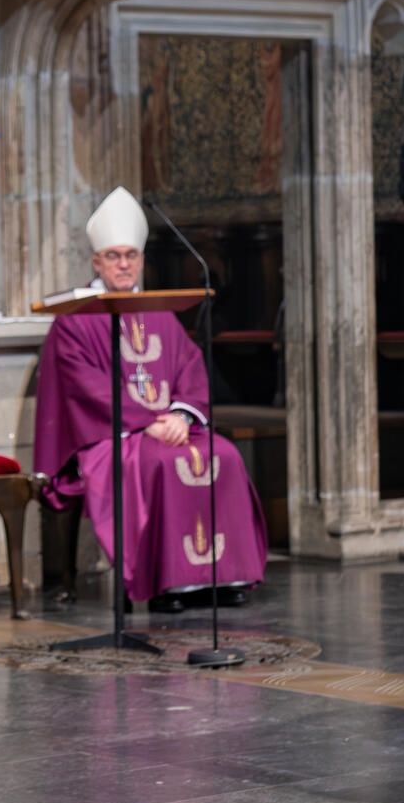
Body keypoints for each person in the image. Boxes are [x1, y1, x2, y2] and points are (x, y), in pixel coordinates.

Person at [34, 186, 268, 613]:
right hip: (111, 435)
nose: (124, 264)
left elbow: (189, 368)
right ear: (96, 262)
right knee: (160, 462)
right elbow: (85, 388)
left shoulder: (158, 309)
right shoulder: (75, 319)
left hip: (168, 427)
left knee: (227, 456)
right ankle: (167, 585)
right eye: (114, 256)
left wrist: (180, 414)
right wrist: (147, 421)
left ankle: (219, 578)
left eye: (131, 256)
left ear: (142, 260)